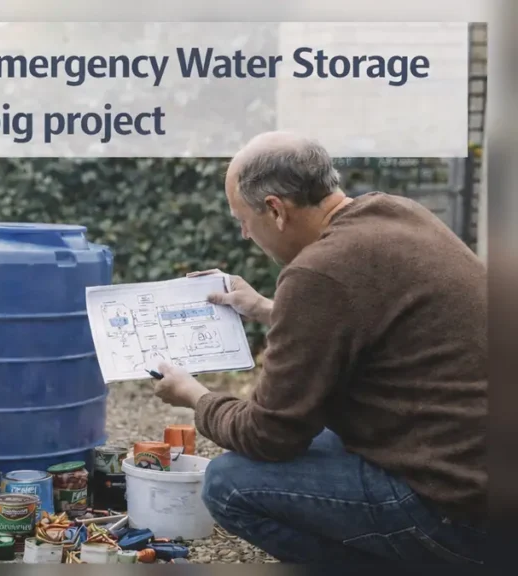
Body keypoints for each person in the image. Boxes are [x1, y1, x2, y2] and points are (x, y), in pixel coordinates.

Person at [152, 132, 487, 564]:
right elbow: (372, 319)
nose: (243, 234)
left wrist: (194, 396)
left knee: (228, 482)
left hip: (457, 515)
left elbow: (268, 435)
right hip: (481, 472)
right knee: (323, 429)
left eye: (243, 220)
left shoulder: (318, 273)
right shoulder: (397, 212)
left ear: (275, 209)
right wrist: (268, 309)